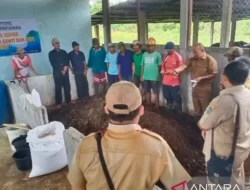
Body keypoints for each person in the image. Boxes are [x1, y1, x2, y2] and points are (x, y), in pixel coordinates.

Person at [68, 81, 191, 190]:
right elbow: (181, 186)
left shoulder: (87, 145)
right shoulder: (157, 146)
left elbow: (77, 186)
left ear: (106, 109)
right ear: (141, 110)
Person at [198, 61, 250, 189]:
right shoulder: (247, 94)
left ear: (224, 77)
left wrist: (204, 123)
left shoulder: (225, 100)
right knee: (236, 176)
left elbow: (204, 124)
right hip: (242, 148)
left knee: (218, 183)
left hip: (223, 153)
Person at [176, 43, 218, 121]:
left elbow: (214, 74)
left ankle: (205, 127)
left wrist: (202, 78)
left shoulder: (210, 60)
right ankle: (196, 126)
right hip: (195, 87)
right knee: (196, 109)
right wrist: (176, 70)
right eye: (193, 52)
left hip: (205, 88)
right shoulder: (193, 59)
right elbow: (184, 66)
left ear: (202, 51)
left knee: (205, 109)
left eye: (196, 52)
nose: (194, 54)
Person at [49, 38, 74, 108]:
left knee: (67, 87)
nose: (58, 44)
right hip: (57, 73)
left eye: (58, 43)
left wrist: (66, 67)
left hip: (65, 72)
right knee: (58, 88)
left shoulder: (64, 52)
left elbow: (67, 61)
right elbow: (53, 64)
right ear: (53, 45)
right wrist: (61, 69)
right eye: (56, 43)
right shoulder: (51, 54)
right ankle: (58, 103)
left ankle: (68, 100)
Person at [161, 42, 184, 113]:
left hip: (174, 81)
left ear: (173, 49)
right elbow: (163, 67)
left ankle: (179, 112)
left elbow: (181, 67)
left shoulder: (178, 56)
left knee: (176, 98)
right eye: (167, 50)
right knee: (167, 96)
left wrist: (173, 72)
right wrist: (162, 72)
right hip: (165, 81)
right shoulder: (165, 56)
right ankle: (169, 111)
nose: (168, 52)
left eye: (170, 50)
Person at [141, 37, 162, 108]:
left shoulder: (157, 54)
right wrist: (142, 75)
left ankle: (157, 105)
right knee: (147, 91)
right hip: (146, 76)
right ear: (147, 47)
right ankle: (149, 103)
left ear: (155, 46)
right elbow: (142, 65)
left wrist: (157, 75)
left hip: (154, 77)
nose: (151, 48)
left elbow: (160, 66)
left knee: (156, 91)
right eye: (149, 46)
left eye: (152, 46)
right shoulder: (144, 54)